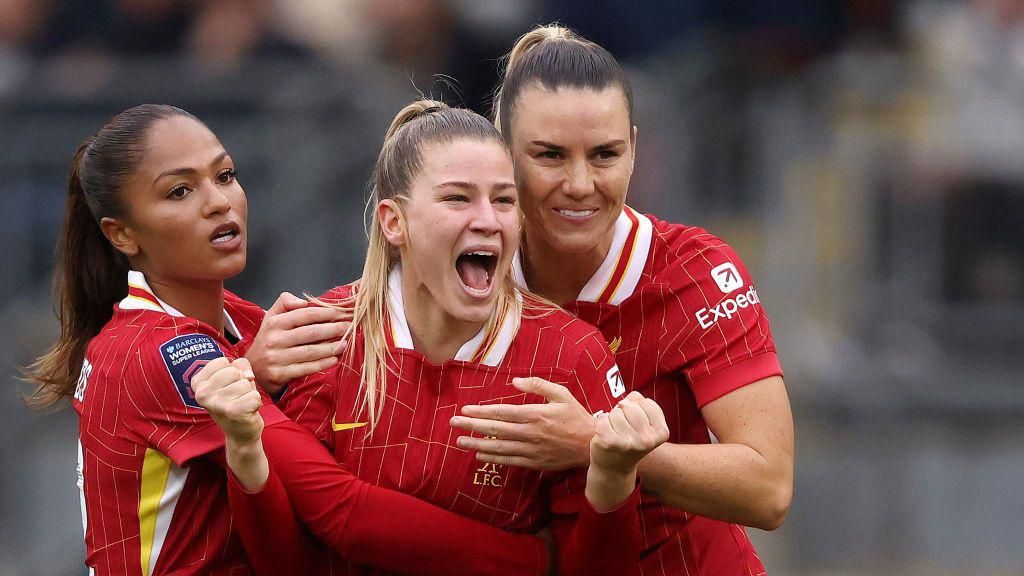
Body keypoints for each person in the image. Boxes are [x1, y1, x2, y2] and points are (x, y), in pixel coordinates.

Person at [24, 104, 569, 576]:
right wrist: (533, 562)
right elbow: (337, 507)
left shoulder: (241, 320)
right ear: (122, 234)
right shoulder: (159, 353)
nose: (219, 202)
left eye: (226, 175)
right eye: (180, 191)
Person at [193, 99, 670, 576]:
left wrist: (612, 477)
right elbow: (292, 561)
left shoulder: (568, 354)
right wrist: (531, 561)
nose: (487, 219)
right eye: (458, 198)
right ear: (393, 221)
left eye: (504, 200)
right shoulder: (325, 336)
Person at [450, 25, 795, 575]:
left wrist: (596, 443)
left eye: (605, 155)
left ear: (635, 149)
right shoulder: (459, 271)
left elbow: (769, 487)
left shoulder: (693, 270)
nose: (581, 184)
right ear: (502, 152)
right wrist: (265, 355)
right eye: (550, 156)